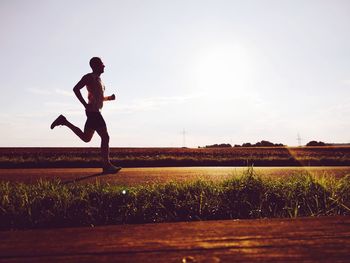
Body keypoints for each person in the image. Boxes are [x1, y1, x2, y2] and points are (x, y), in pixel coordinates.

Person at [50, 57, 121, 174]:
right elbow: (76, 89)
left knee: (86, 138)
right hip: (93, 112)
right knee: (105, 136)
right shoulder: (89, 77)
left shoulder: (99, 80)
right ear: (96, 65)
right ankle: (107, 165)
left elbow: (98, 98)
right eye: (102, 64)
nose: (104, 66)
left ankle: (64, 121)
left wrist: (109, 98)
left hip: (94, 111)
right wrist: (84, 104)